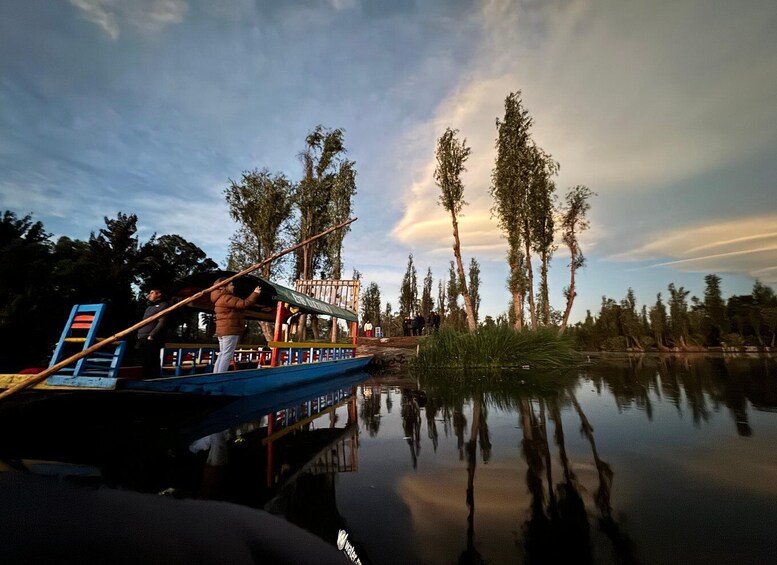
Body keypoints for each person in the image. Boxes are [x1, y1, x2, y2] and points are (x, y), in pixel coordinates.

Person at [210, 278, 262, 373]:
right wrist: (255, 293)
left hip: (222, 331)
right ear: (223, 287)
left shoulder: (218, 299)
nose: (233, 286)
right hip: (230, 330)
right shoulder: (226, 298)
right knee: (227, 355)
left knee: (222, 354)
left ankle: (215, 374)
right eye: (231, 284)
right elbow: (244, 303)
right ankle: (220, 376)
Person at [137, 288, 169, 377]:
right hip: (142, 337)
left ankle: (152, 379)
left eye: (152, 293)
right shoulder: (149, 307)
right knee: (144, 360)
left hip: (152, 338)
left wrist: (152, 335)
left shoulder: (164, 305)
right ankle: (145, 379)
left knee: (152, 359)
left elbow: (162, 322)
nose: (149, 295)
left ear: (159, 294)